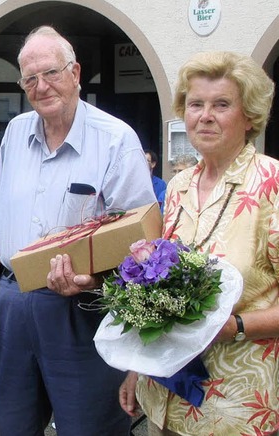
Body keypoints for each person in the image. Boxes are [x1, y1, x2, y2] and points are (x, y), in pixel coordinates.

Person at [0, 26, 156, 435]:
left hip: (84, 310)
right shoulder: (15, 132)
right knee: (14, 425)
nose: (41, 87)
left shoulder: (116, 141)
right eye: (29, 78)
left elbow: (141, 247)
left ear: (75, 72)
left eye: (51, 73)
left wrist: (92, 281)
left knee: (89, 427)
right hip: (13, 304)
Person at [119, 51, 279, 436]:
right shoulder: (178, 186)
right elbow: (158, 286)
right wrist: (135, 367)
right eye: (196, 104)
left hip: (234, 408)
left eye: (221, 104)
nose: (205, 115)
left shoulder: (272, 185)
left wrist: (235, 325)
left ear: (249, 116)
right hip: (166, 400)